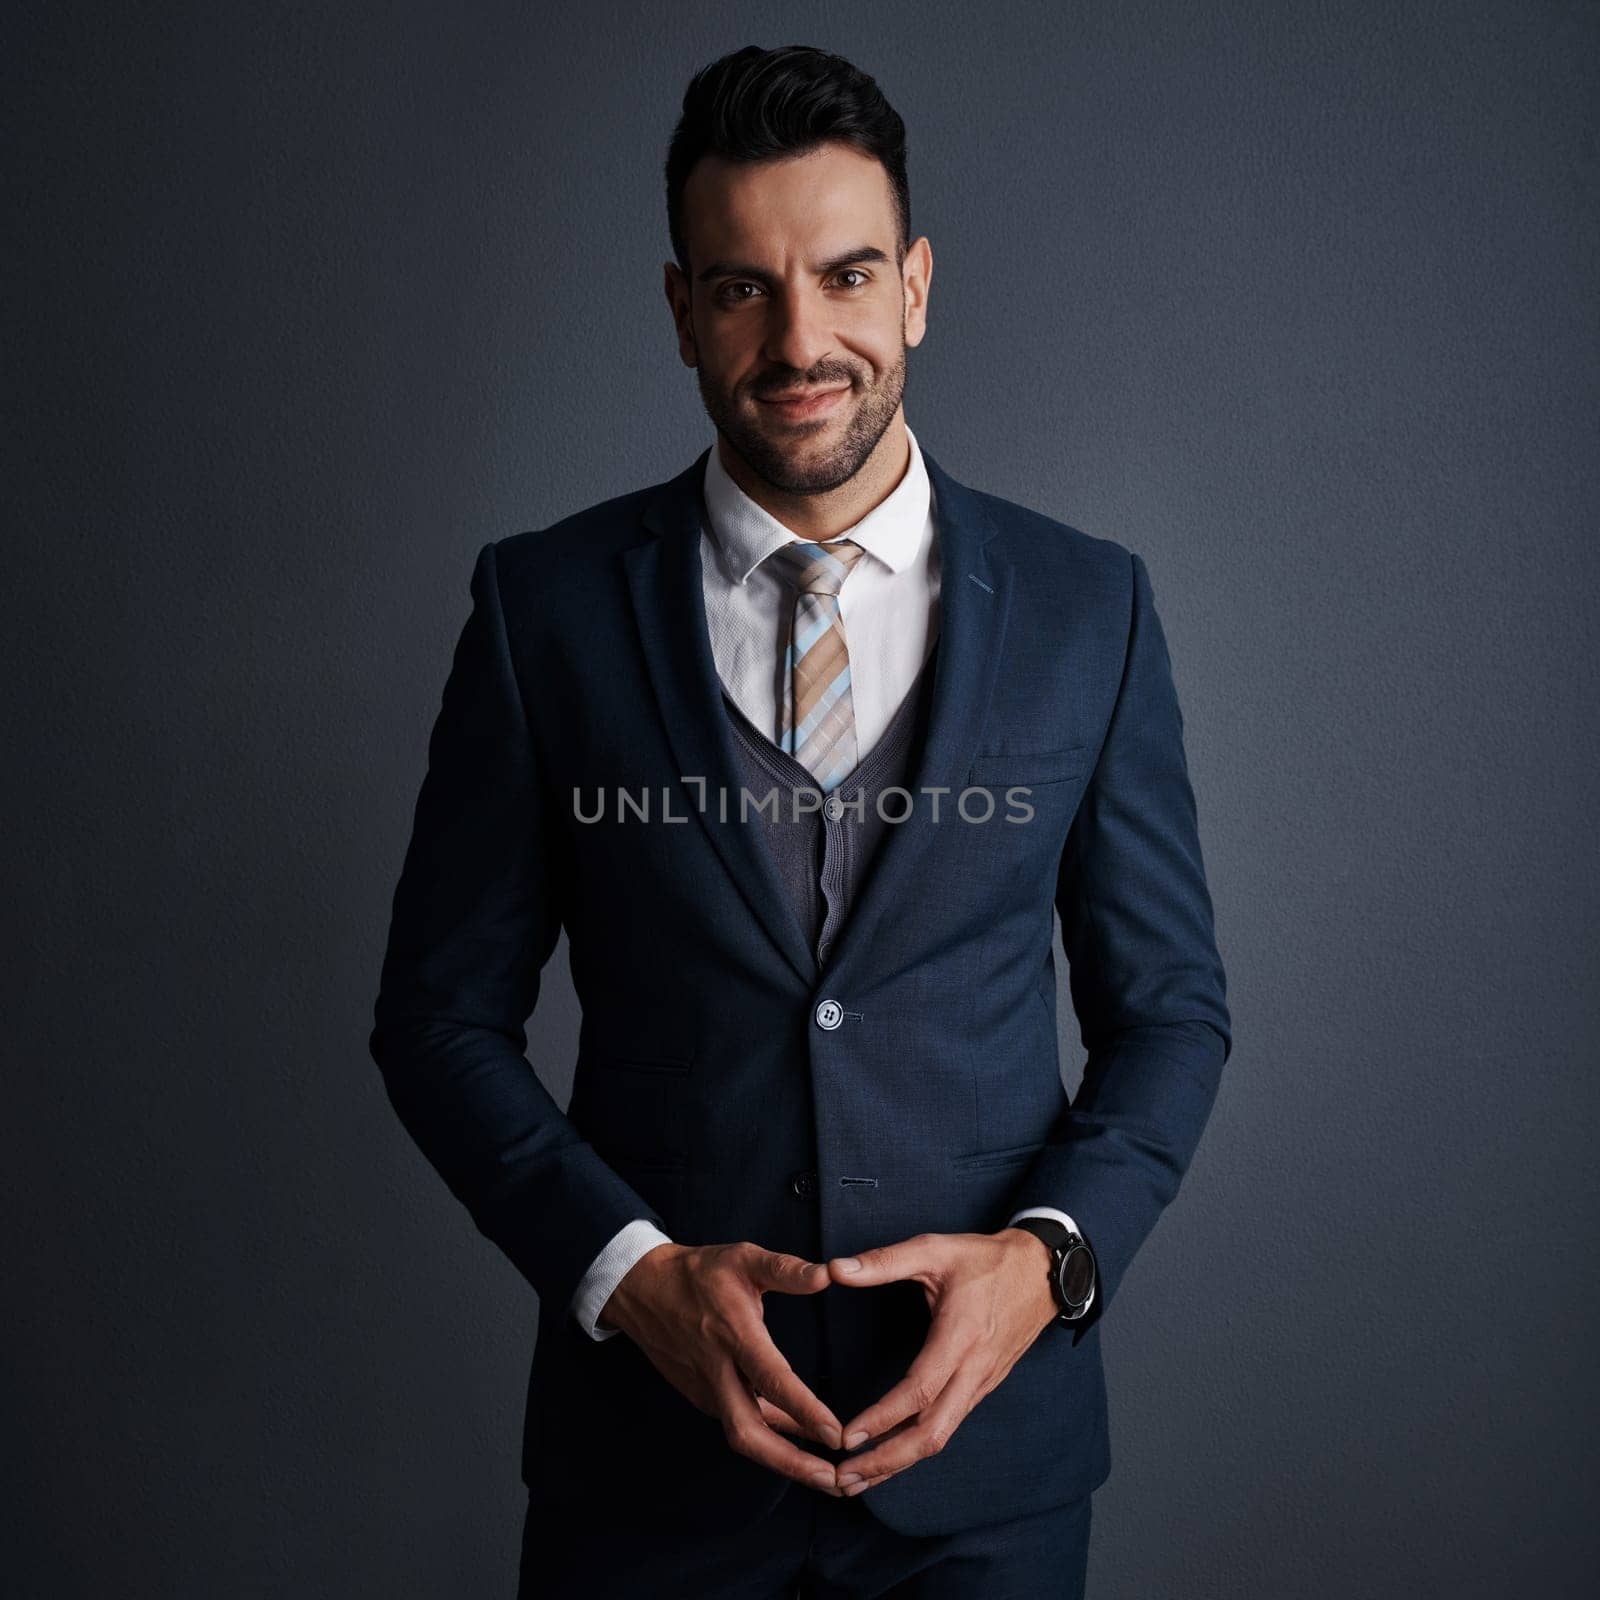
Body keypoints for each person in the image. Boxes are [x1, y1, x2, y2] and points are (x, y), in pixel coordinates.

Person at [369, 42, 1231, 1599]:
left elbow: (1170, 1013)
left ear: (913, 286)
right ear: (684, 310)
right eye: (743, 287)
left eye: (843, 274)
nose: (801, 337)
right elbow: (435, 1020)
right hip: (648, 1480)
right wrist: (632, 1281)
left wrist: (1048, 1265)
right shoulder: (542, 610)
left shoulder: (1087, 610)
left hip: (987, 1480)